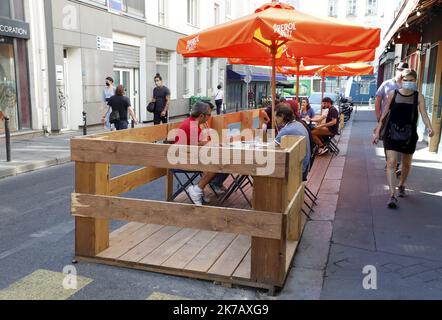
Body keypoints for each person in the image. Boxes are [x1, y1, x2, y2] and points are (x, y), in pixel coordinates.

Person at [373, 69, 434, 209]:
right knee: (391, 163)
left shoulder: (419, 97)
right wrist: (377, 132)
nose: (408, 82)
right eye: (405, 80)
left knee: (406, 164)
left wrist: (430, 127)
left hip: (409, 135)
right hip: (391, 133)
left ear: (415, 81)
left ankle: (401, 185)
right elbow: (384, 115)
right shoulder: (392, 94)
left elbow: (424, 114)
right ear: (401, 81)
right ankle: (392, 195)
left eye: (411, 80)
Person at [175, 102, 223, 205]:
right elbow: (197, 144)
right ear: (201, 115)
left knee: (216, 160)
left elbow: (197, 144)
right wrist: (213, 143)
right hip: (182, 159)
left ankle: (198, 189)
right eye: (209, 115)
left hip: (186, 155)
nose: (210, 117)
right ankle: (197, 190)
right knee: (216, 163)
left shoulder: (192, 122)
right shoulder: (192, 125)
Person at [376, 62, 408, 176]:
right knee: (387, 143)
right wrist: (378, 115)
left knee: (399, 142)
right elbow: (378, 99)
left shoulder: (407, 85)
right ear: (396, 70)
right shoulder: (387, 84)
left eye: (404, 70)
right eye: (400, 69)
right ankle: (389, 161)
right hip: (387, 119)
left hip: (402, 121)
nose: (401, 72)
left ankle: (396, 164)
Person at [274, 104, 311, 179]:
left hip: (298, 170)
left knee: (263, 168)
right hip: (305, 166)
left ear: (282, 116)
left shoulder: (287, 130)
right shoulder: (298, 124)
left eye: (276, 116)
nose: (275, 118)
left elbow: (272, 147)